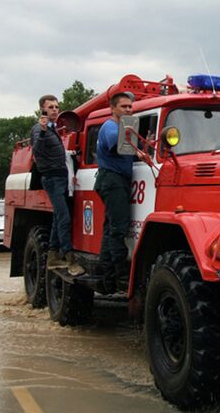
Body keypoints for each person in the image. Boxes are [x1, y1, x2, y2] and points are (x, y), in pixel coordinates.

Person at [31, 95, 85, 276]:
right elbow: (37, 150)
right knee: (64, 217)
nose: (55, 109)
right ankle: (70, 260)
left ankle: (53, 257)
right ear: (42, 109)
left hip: (60, 177)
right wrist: (44, 130)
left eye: (57, 106)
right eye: (51, 107)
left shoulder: (54, 129)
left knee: (58, 217)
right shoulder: (40, 129)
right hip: (52, 178)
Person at [95, 92, 134, 292]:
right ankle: (122, 279)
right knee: (118, 229)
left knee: (110, 229)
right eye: (124, 106)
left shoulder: (123, 128)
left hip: (114, 180)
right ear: (113, 108)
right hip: (112, 180)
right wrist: (135, 138)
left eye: (130, 106)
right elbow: (118, 146)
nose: (128, 109)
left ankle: (107, 278)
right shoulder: (110, 127)